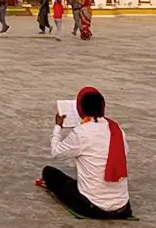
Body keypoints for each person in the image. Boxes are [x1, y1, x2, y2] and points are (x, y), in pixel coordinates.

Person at [37, 87, 132, 220]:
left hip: (92, 207)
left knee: (49, 173)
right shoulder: (118, 131)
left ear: (80, 110)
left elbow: (56, 152)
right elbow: (124, 152)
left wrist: (58, 127)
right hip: (123, 207)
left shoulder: (81, 132)